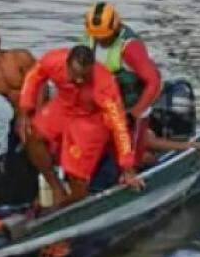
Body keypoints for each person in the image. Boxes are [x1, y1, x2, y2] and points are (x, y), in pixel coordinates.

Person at [18, 46, 143, 206]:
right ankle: (56, 188)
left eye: (84, 77)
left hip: (90, 118)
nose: (78, 81)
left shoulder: (104, 84)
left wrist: (127, 168)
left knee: (76, 174)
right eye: (74, 75)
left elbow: (119, 124)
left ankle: (71, 203)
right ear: (67, 64)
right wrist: (25, 110)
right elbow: (34, 77)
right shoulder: (54, 60)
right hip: (64, 104)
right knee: (32, 133)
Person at [83, 2, 162, 122]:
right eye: (96, 36)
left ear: (115, 27)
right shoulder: (90, 39)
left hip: (129, 105)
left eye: (104, 36)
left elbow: (154, 82)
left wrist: (135, 113)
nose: (99, 40)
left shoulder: (130, 47)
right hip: (102, 102)